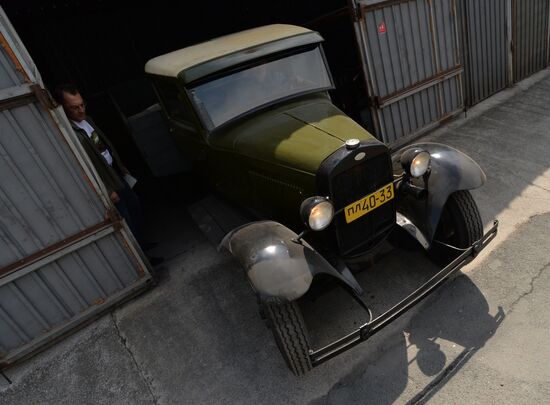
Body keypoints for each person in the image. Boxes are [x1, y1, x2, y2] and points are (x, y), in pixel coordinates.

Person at [53, 84, 163, 266]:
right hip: (108, 182)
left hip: (116, 173)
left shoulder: (87, 120)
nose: (80, 110)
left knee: (134, 207)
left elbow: (105, 146)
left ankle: (142, 244)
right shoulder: (71, 133)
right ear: (63, 108)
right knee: (126, 218)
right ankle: (143, 260)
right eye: (74, 107)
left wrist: (121, 166)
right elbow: (85, 165)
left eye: (82, 105)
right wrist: (107, 189)